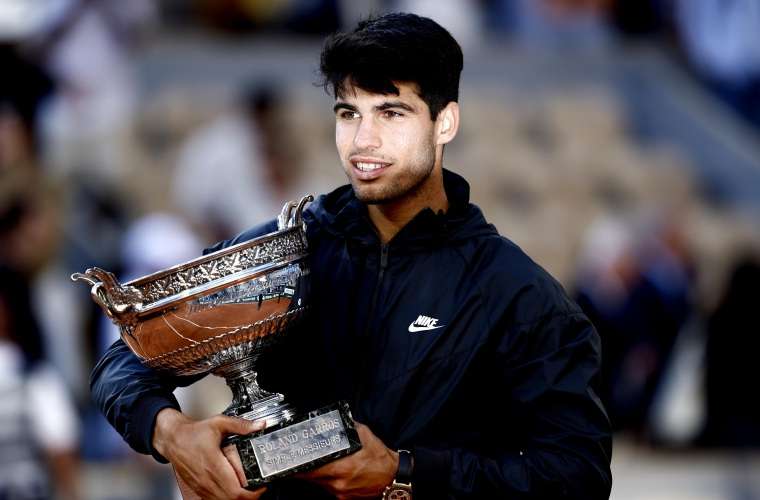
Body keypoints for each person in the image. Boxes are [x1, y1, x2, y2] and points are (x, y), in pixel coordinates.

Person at [91, 13, 612, 500]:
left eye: (391, 112)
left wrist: (403, 473)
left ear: (445, 122)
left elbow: (578, 475)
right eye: (349, 113)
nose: (364, 141)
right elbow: (124, 360)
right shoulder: (281, 251)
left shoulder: (516, 292)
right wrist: (172, 432)